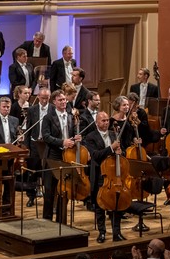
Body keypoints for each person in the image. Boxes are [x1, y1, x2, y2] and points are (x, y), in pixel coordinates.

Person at [83, 111, 125, 242]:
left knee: (116, 205)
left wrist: (120, 151)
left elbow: (120, 152)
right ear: (97, 123)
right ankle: (102, 232)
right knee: (100, 205)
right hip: (100, 174)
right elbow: (95, 155)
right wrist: (111, 148)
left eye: (107, 120)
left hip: (114, 176)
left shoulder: (114, 134)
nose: (106, 123)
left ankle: (116, 232)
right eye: (103, 121)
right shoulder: (90, 137)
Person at [41, 89, 79, 222]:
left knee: (64, 190)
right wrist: (62, 142)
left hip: (67, 156)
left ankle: (61, 221)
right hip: (53, 156)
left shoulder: (70, 116)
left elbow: (73, 134)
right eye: (60, 100)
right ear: (54, 102)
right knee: (50, 190)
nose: (63, 102)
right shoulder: (48, 118)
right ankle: (47, 220)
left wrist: (76, 139)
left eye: (64, 99)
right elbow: (46, 137)